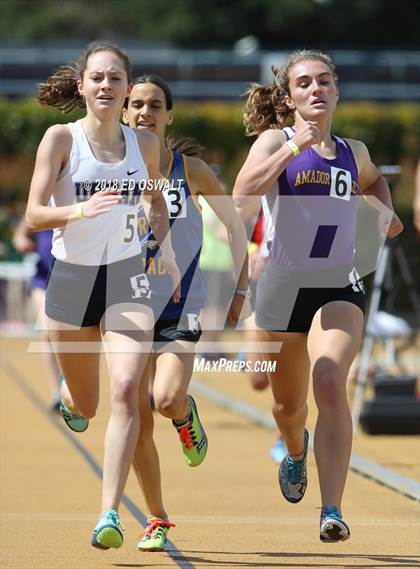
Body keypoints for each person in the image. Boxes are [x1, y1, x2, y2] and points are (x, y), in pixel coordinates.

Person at [233, 49, 403, 542]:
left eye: (324, 81)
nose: (316, 89)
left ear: (336, 89)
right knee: (288, 409)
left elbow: (375, 185)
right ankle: (293, 450)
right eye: (304, 83)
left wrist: (382, 213)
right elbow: (242, 196)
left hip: (337, 283)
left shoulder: (356, 151)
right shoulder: (274, 140)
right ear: (289, 98)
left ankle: (332, 509)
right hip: (283, 288)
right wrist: (292, 149)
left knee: (329, 378)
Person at [25, 42, 180, 551]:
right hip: (71, 280)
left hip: (126, 276)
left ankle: (108, 512)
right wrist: (79, 212)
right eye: (97, 78)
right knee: (88, 404)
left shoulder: (146, 146)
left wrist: (166, 249)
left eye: (115, 79)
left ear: (127, 88)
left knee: (126, 390)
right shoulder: (61, 139)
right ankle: (72, 398)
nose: (106, 86)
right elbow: (33, 215)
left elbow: (156, 199)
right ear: (82, 86)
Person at [122, 75, 250, 551]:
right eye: (135, 104)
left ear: (168, 115)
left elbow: (236, 229)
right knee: (134, 413)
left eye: (155, 105)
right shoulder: (108, 168)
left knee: (167, 398)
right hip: (128, 303)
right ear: (123, 111)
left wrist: (240, 288)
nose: (144, 112)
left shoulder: (190, 170)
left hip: (182, 303)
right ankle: (156, 517)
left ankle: (185, 415)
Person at [12, 220, 61, 411]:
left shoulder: (75, 199)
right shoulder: (41, 205)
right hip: (44, 280)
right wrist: (22, 241)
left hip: (73, 278)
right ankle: (57, 394)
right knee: (47, 333)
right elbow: (20, 233)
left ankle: (71, 384)